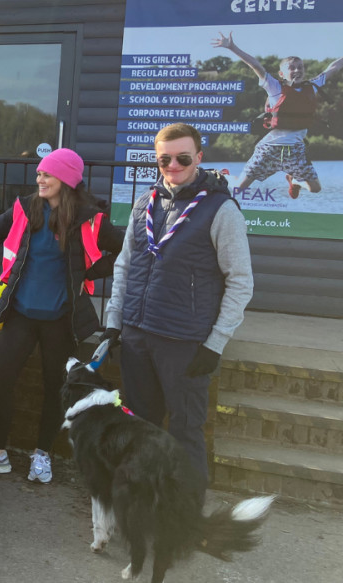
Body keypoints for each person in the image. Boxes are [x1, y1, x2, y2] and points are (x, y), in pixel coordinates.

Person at [0, 148, 123, 483]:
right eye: (39, 173)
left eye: (47, 174)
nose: (39, 179)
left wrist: (89, 274)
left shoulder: (91, 217)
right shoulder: (24, 207)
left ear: (66, 180)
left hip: (61, 319)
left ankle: (42, 454)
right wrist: (10, 263)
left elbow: (123, 250)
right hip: (20, 313)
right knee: (1, 378)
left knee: (55, 386)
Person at [103, 122, 253, 485]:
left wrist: (215, 343)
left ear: (199, 158)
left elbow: (241, 282)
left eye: (182, 158)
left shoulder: (221, 210)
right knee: (140, 429)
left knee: (186, 434)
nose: (173, 166)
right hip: (138, 337)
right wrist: (113, 322)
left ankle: (185, 524)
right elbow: (124, 265)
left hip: (185, 343)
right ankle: (143, 508)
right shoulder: (144, 204)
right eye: (164, 159)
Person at [212, 31, 343, 198]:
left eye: (300, 67)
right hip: (268, 149)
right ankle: (222, 175)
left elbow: (334, 67)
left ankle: (295, 181)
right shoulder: (275, 87)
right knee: (239, 187)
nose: (297, 70)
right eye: (292, 68)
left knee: (315, 188)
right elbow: (256, 66)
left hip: (295, 150)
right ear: (282, 74)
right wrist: (232, 47)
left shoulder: (313, 85)